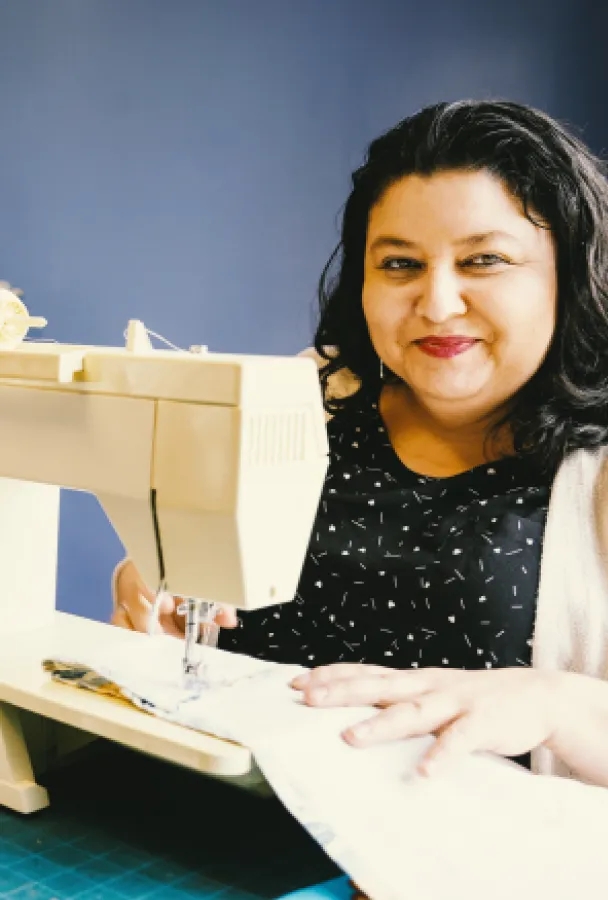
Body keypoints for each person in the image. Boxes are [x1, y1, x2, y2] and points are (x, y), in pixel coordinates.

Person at [112, 99, 608, 790]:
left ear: (570, 273)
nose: (437, 303)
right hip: (231, 805)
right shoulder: (307, 396)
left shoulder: (594, 471)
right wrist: (153, 580)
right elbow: (177, 583)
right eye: (401, 264)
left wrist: (560, 704)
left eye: (484, 260)